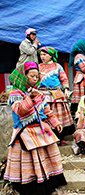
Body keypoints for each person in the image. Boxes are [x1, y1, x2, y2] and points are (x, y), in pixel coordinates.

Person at [4, 62, 67, 195]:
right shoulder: (15, 94)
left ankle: (49, 180)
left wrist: (55, 122)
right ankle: (31, 184)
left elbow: (46, 110)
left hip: (41, 129)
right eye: (32, 76)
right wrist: (31, 99)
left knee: (48, 156)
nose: (35, 79)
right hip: (24, 132)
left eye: (37, 76)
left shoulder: (38, 93)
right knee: (29, 160)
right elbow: (20, 110)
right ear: (23, 76)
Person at [38, 46, 75, 145]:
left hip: (56, 94)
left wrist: (66, 89)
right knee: (47, 115)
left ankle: (60, 138)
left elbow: (64, 79)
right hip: (43, 94)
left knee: (59, 116)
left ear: (51, 55)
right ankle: (50, 138)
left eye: (44, 54)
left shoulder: (57, 66)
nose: (42, 56)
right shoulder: (38, 67)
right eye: (41, 54)